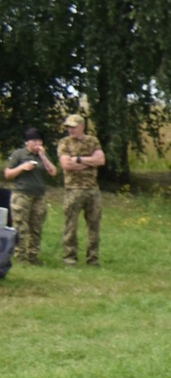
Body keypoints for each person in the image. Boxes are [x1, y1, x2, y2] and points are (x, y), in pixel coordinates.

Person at [56, 113, 104, 267]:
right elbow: (66, 165)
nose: (70, 130)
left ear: (82, 127)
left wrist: (78, 159)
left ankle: (93, 258)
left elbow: (101, 160)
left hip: (92, 189)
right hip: (73, 189)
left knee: (94, 225)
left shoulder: (93, 141)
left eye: (73, 127)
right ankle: (69, 258)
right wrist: (90, 163)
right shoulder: (64, 143)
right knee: (71, 225)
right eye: (68, 127)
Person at [4, 128, 56, 265]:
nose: (38, 144)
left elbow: (53, 172)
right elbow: (8, 174)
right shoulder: (19, 154)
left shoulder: (42, 155)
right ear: (27, 142)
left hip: (39, 196)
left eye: (40, 141)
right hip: (21, 194)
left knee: (36, 226)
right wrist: (22, 167)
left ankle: (33, 256)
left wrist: (43, 156)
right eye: (34, 141)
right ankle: (19, 256)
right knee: (20, 226)